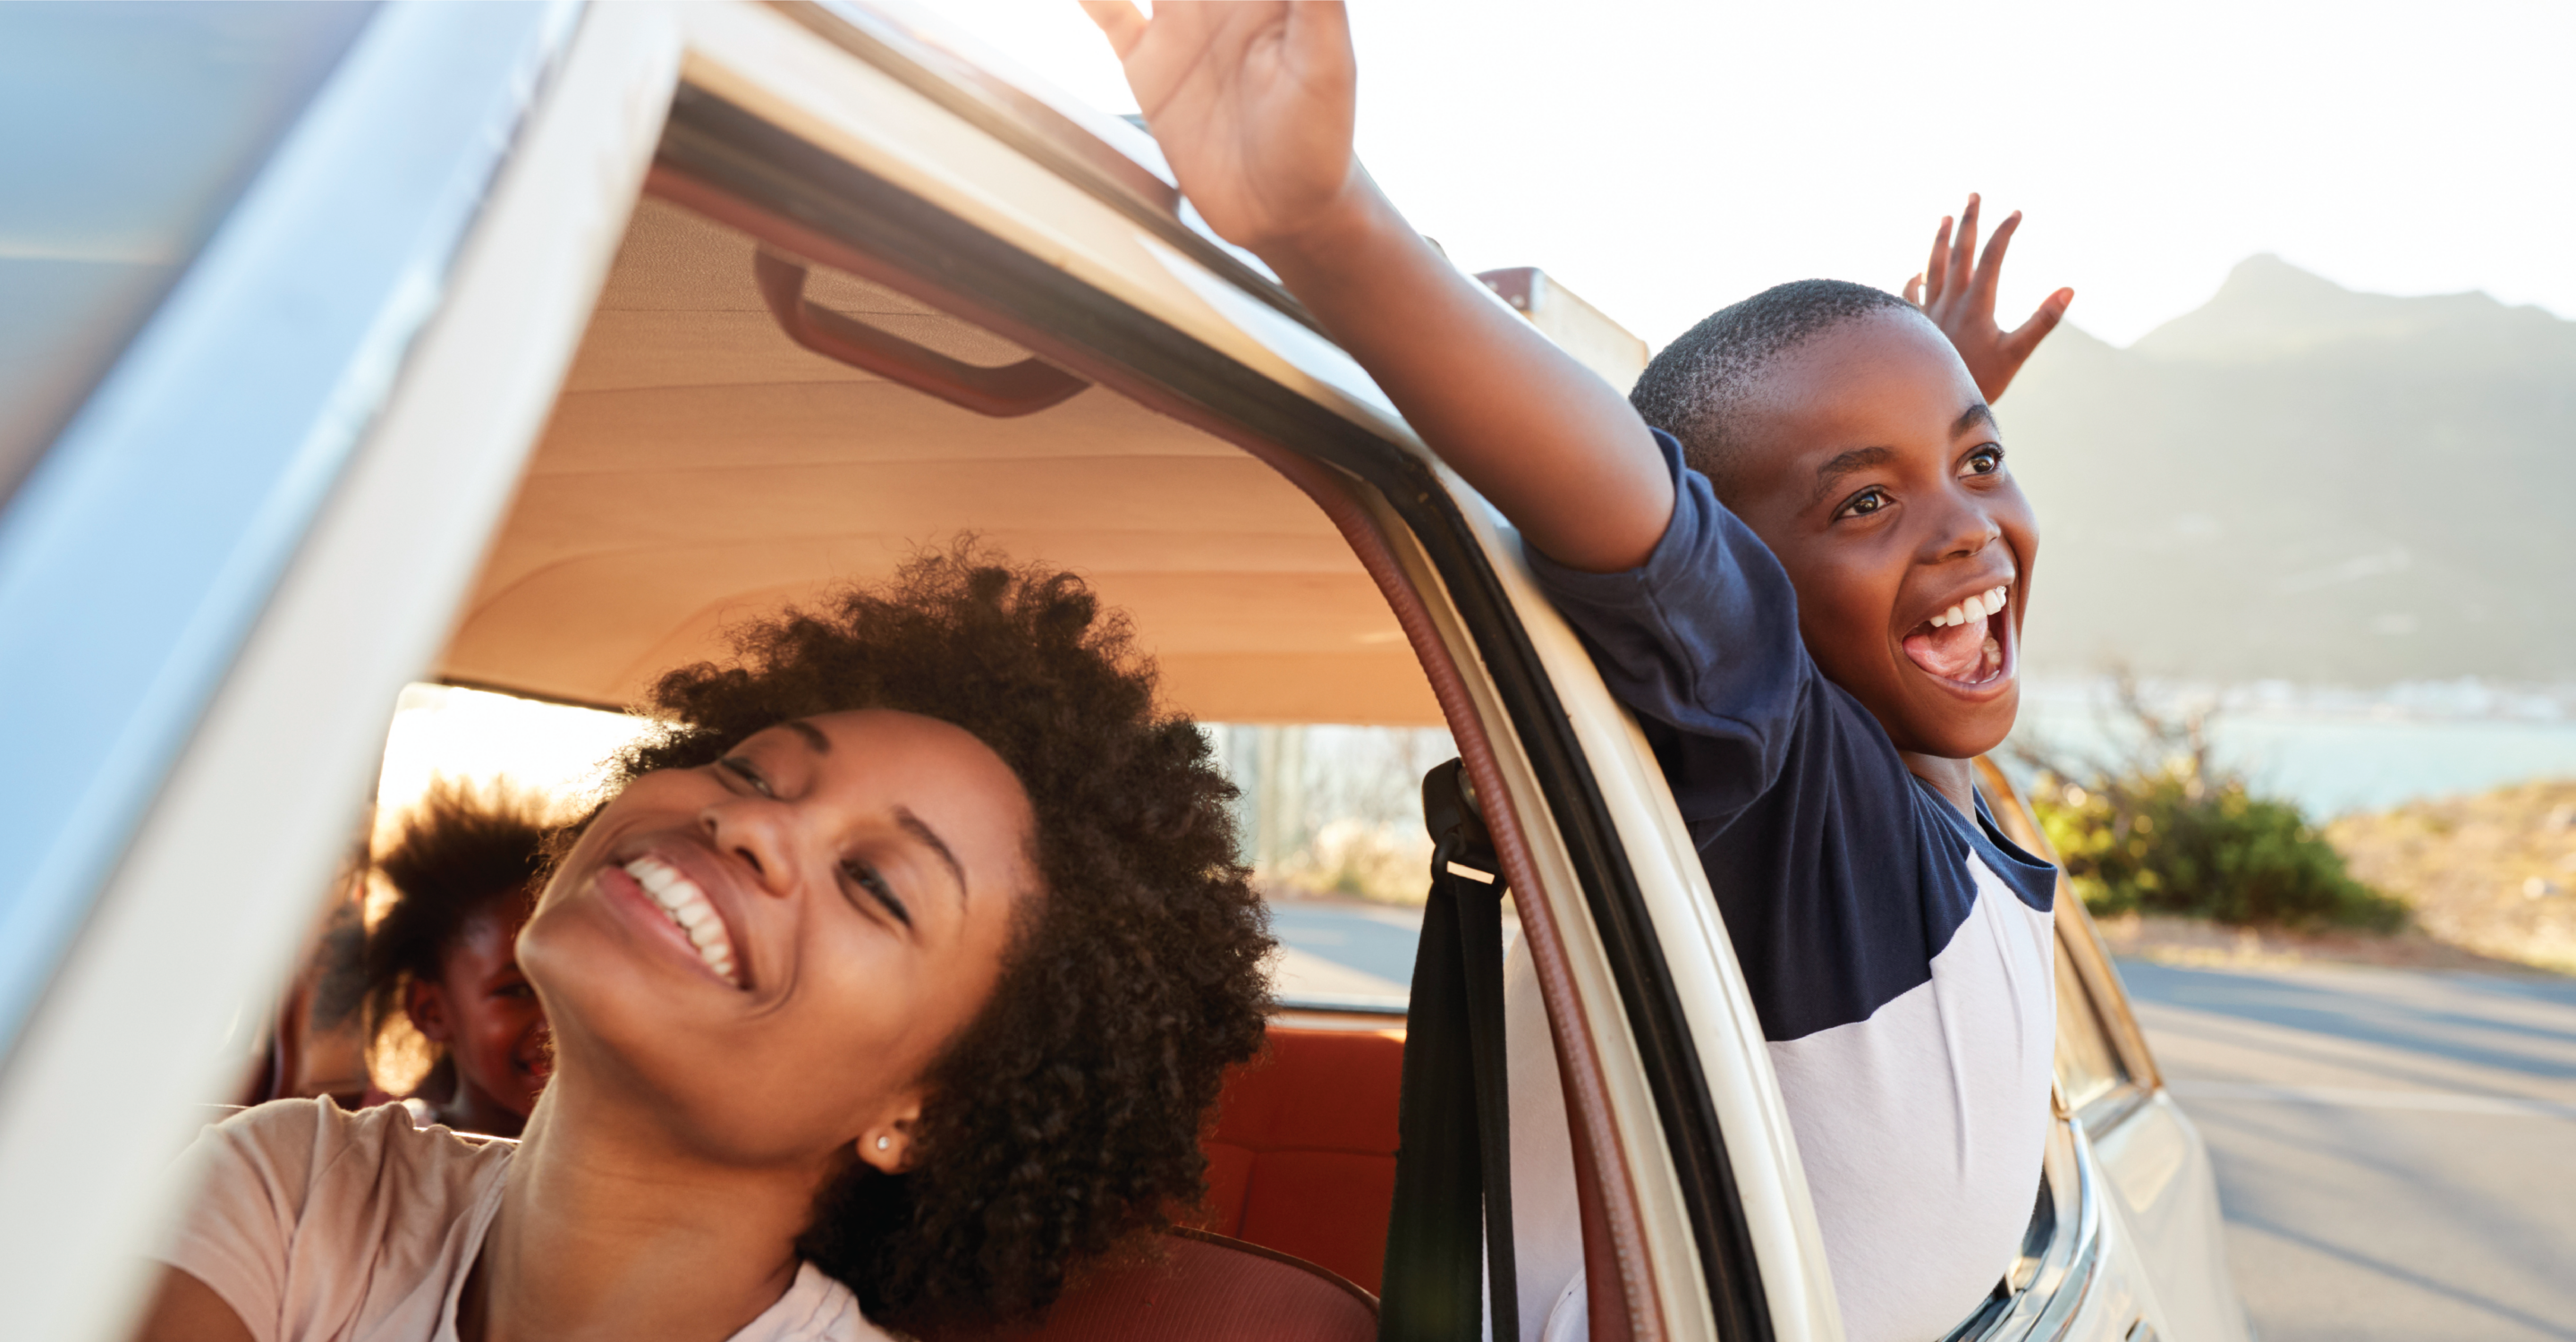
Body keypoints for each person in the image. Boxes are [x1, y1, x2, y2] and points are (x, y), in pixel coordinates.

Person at [1076, 3, 2070, 1337]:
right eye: (1860, 505)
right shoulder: (1796, 802)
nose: (1967, 524)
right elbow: (1656, 537)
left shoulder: (1915, 788)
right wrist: (1327, 228)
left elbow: (1929, 706)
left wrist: (1925, 403)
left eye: (1984, 460)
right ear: (1739, 587)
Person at [133, 552, 1275, 1342]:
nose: (753, 823)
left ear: (933, 1112)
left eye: (874, 883)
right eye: (751, 771)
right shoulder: (297, 1187)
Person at [362, 782, 556, 1137]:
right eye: (516, 991)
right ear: (430, 1011)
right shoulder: (393, 1155)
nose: (558, 1019)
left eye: (574, 985)